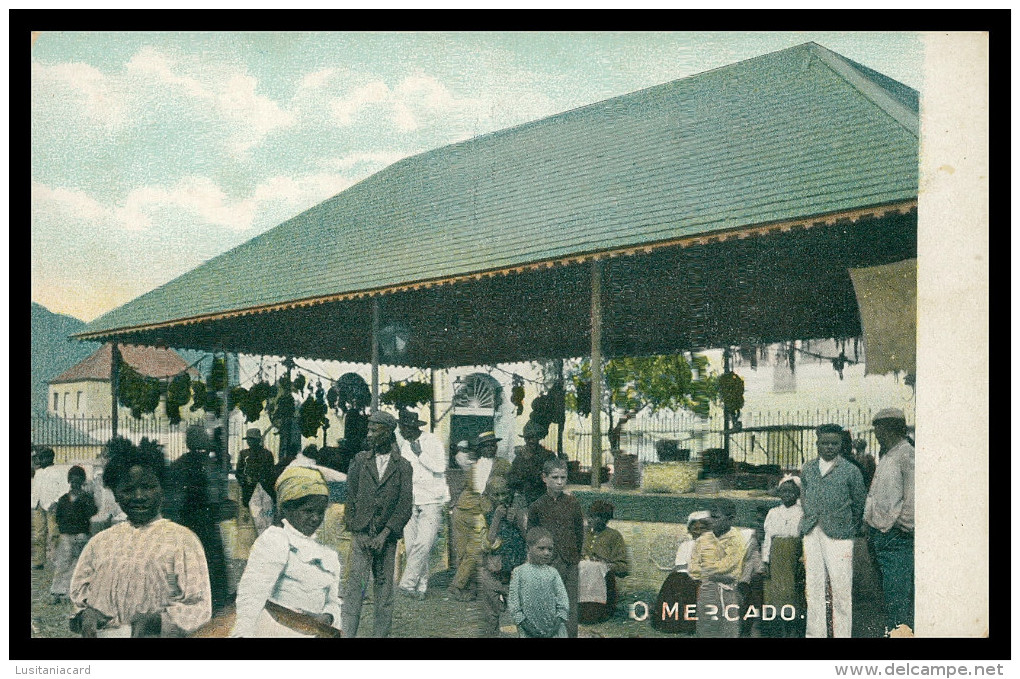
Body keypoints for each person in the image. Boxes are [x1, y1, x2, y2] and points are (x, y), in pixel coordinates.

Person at [69, 438, 212, 637]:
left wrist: (157, 621)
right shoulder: (100, 543)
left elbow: (199, 606)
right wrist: (86, 615)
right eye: (128, 490)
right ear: (116, 495)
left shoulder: (182, 541)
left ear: (162, 488)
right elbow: (78, 593)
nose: (138, 496)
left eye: (147, 487)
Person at [231, 467, 343, 637]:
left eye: (320, 512)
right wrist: (243, 633)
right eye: (308, 511)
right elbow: (252, 595)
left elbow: (334, 601)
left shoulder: (327, 554)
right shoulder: (276, 540)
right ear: (287, 510)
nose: (315, 518)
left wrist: (328, 617)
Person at [342, 410, 414, 638]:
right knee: (355, 592)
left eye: (375, 430)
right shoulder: (360, 461)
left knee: (384, 595)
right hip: (362, 537)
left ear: (388, 432)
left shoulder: (402, 466)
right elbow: (351, 498)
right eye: (368, 429)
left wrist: (385, 534)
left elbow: (404, 506)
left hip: (386, 540)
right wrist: (358, 531)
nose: (369, 434)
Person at [799, 423, 867, 638]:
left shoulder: (851, 470)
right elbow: (804, 496)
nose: (829, 447)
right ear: (817, 443)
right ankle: (814, 634)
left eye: (834, 443)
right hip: (812, 531)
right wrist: (811, 519)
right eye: (825, 443)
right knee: (814, 588)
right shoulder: (808, 469)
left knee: (841, 590)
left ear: (841, 445)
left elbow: (859, 504)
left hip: (840, 535)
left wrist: (848, 526)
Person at [164, 425, 230, 612]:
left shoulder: (178, 464)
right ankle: (214, 604)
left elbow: (171, 501)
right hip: (206, 524)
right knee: (211, 567)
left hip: (185, 524)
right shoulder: (209, 465)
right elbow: (217, 496)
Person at [864, 408, 915, 636]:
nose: (876, 434)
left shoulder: (907, 454)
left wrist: (899, 526)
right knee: (888, 595)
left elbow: (913, 500)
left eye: (878, 428)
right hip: (880, 534)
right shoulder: (889, 454)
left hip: (895, 537)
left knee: (897, 597)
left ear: (890, 428)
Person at [449, 431, 511, 601]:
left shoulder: (504, 466)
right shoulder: (473, 465)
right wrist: (454, 503)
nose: (491, 448)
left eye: (493, 444)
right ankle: (469, 589)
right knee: (462, 552)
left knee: (475, 550)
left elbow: (509, 488)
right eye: (487, 445)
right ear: (480, 448)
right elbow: (462, 486)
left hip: (484, 514)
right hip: (463, 511)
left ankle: (457, 585)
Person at [526, 456, 584, 637]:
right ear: (544, 478)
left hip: (569, 562)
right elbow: (531, 536)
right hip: (547, 563)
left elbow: (579, 532)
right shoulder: (537, 506)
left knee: (569, 605)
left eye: (563, 478)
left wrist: (574, 556)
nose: (560, 482)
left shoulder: (573, 503)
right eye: (555, 478)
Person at [395, 408, 449, 600]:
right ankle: (420, 587)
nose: (402, 433)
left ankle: (407, 583)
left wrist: (421, 455)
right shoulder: (404, 445)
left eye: (404, 430)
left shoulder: (432, 442)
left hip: (432, 499)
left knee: (423, 543)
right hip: (411, 499)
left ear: (412, 428)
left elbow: (441, 467)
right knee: (411, 546)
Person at [476, 476, 527, 637]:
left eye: (504, 494)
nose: (501, 499)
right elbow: (486, 545)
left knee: (521, 616)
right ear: (488, 496)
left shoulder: (518, 512)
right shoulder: (482, 515)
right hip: (491, 575)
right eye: (496, 495)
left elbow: (530, 540)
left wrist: (518, 520)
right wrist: (496, 519)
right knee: (490, 617)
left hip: (515, 573)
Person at [689, 499, 746, 638]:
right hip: (706, 590)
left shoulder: (736, 539)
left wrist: (708, 571)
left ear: (730, 519)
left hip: (728, 591)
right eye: (710, 516)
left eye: (716, 517)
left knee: (727, 627)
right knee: (706, 626)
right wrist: (710, 575)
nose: (711, 521)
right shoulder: (703, 539)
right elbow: (693, 568)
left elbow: (730, 567)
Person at [651, 510, 710, 634]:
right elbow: (680, 564)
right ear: (690, 530)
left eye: (702, 529)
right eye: (695, 529)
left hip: (704, 576)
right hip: (685, 575)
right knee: (675, 581)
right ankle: (672, 622)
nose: (698, 532)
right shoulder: (686, 545)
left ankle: (689, 624)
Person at [761, 476, 805, 637]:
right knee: (775, 594)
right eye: (783, 491)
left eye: (791, 491)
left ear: (798, 493)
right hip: (776, 556)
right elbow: (768, 538)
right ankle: (778, 630)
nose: (787, 495)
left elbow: (803, 539)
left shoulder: (802, 513)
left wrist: (802, 560)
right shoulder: (773, 513)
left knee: (791, 593)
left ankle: (792, 630)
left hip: (792, 555)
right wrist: (765, 561)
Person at [507, 527, 569, 638]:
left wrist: (554, 629)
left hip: (553, 631)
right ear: (528, 548)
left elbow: (563, 602)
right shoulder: (519, 572)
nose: (546, 553)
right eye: (541, 548)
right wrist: (528, 628)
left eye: (550, 549)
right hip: (529, 631)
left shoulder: (553, 573)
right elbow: (514, 604)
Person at [50, 466, 98, 604]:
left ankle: (69, 592)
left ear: (82, 482)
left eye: (78, 481)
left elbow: (92, 512)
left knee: (76, 565)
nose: (75, 484)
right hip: (67, 535)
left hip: (81, 534)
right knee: (63, 563)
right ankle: (57, 590)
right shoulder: (64, 499)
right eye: (73, 481)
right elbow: (58, 516)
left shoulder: (86, 498)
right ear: (69, 481)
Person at [578, 500, 630, 624]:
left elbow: (623, 568)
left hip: (603, 581)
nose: (590, 520)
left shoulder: (614, 536)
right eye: (589, 516)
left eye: (595, 517)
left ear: (605, 520)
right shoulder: (581, 533)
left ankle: (595, 613)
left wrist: (605, 564)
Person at [508, 421, 566, 507]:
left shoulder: (548, 456)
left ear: (539, 437)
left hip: (543, 497)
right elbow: (512, 478)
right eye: (528, 438)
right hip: (524, 498)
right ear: (525, 439)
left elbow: (552, 477)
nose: (531, 441)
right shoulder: (520, 457)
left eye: (534, 437)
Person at [31, 447, 64, 569]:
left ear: (50, 458)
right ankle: (39, 561)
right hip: (38, 505)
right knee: (39, 534)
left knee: (54, 533)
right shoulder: (38, 473)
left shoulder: (57, 472)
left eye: (43, 458)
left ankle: (56, 560)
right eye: (40, 457)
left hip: (51, 506)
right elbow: (35, 489)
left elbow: (63, 490)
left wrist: (55, 502)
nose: (41, 460)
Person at [236, 428, 276, 508]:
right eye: (248, 439)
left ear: (258, 440)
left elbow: (271, 473)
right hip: (249, 490)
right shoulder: (243, 454)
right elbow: (239, 473)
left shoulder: (267, 454)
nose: (249, 442)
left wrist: (262, 481)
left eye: (252, 439)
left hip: (265, 490)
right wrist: (245, 480)